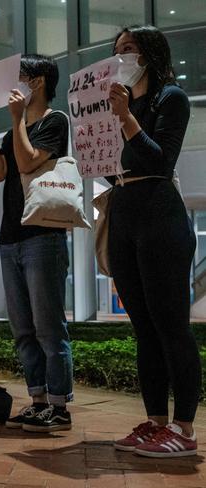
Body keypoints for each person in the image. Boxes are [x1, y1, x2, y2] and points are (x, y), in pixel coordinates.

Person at [106, 26, 199, 458]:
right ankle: (155, 421)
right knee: (143, 327)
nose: (122, 55)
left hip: (159, 213)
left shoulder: (170, 98)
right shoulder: (118, 103)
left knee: (171, 326)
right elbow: (111, 164)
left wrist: (126, 117)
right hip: (123, 210)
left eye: (130, 49)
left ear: (150, 54)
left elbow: (160, 159)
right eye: (118, 50)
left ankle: (184, 428)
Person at [0, 54, 73, 433]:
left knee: (49, 327)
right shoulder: (12, 129)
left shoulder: (56, 120)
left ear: (37, 83)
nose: (12, 84)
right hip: (11, 236)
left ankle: (59, 405)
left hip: (43, 235)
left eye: (20, 77)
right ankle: (36, 400)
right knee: (22, 327)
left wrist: (16, 122)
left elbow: (29, 161)